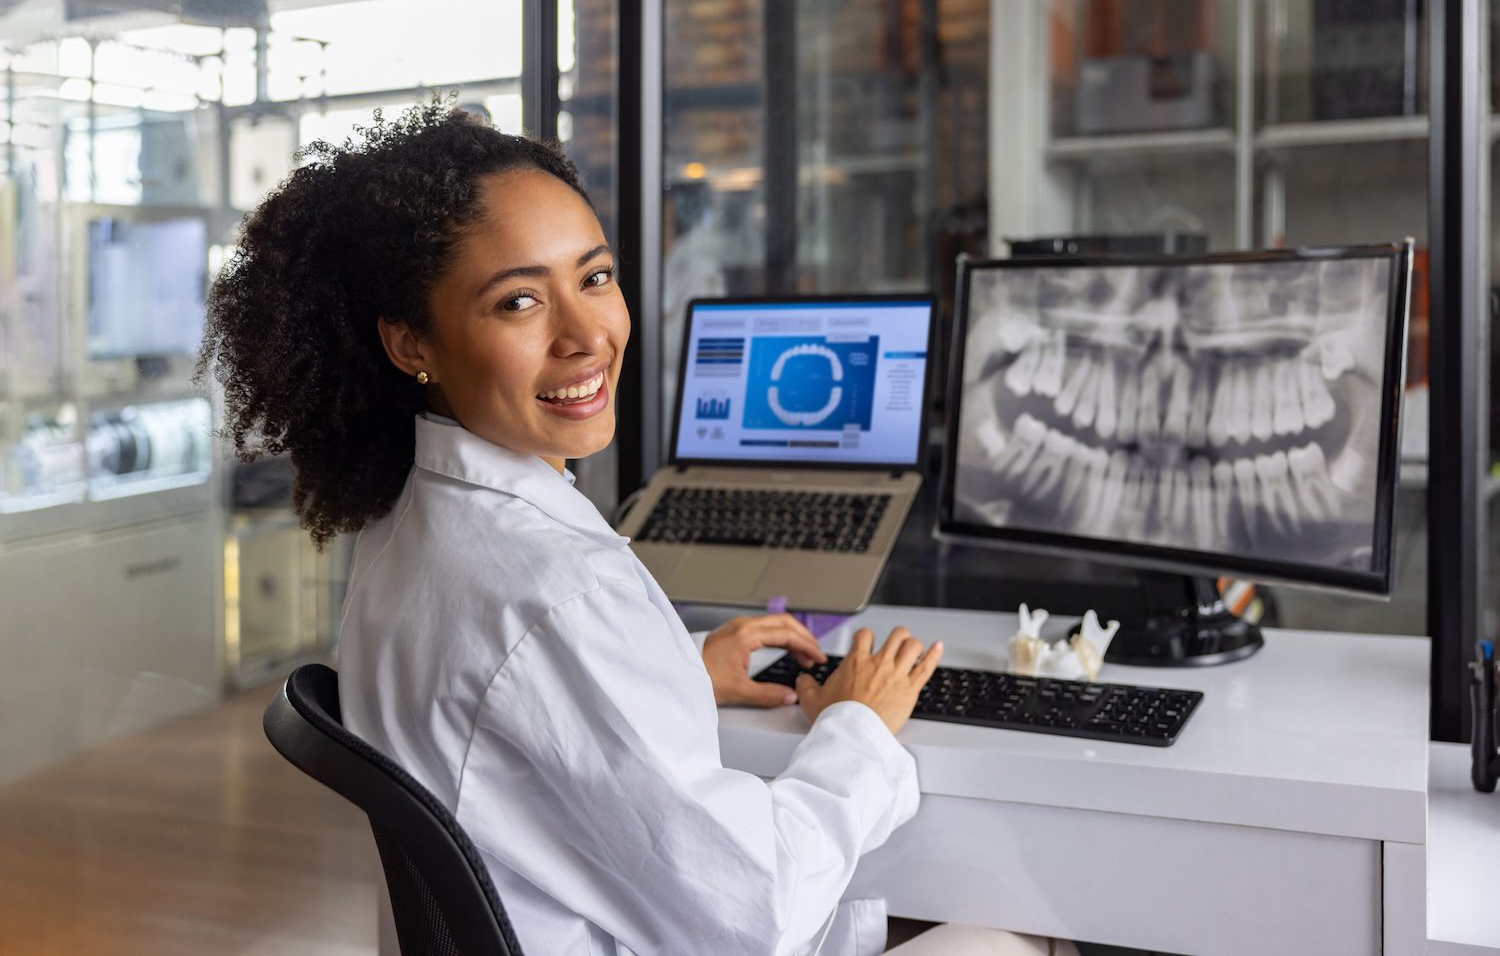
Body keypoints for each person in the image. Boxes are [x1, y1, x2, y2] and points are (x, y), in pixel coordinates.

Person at [199, 101, 1075, 956]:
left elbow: (511, 719)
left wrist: (680, 671)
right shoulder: (557, 589)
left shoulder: (408, 525)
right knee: (1028, 928)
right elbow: (756, 912)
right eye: (517, 303)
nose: (587, 336)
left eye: (595, 277)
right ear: (410, 344)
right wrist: (858, 726)